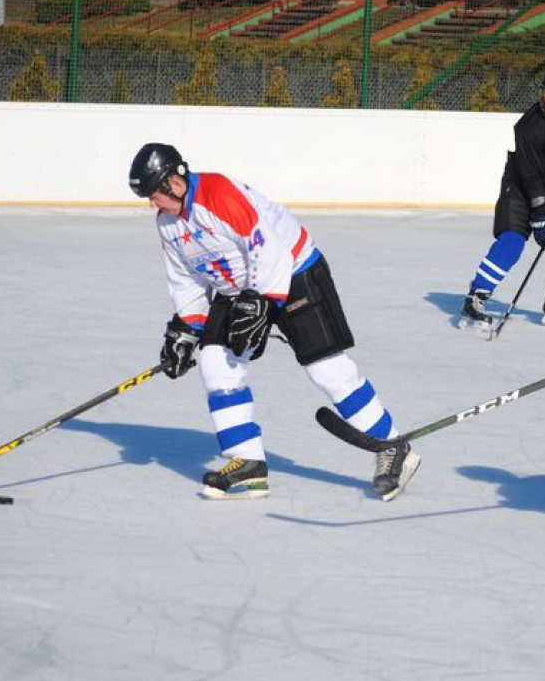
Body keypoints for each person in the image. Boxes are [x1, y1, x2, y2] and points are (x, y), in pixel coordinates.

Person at [128, 143, 420, 501]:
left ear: (175, 181)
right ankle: (247, 463)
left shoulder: (218, 193)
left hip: (296, 270)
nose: (153, 204)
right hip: (239, 289)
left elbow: (269, 249)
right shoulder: (168, 223)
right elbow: (186, 278)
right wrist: (189, 326)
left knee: (326, 369)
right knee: (216, 363)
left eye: (155, 194)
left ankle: (392, 446)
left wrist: (262, 301)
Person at [460, 67, 545, 329]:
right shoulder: (528, 128)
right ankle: (476, 296)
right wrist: (540, 218)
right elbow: (530, 176)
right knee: (512, 241)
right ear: (541, 93)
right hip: (521, 188)